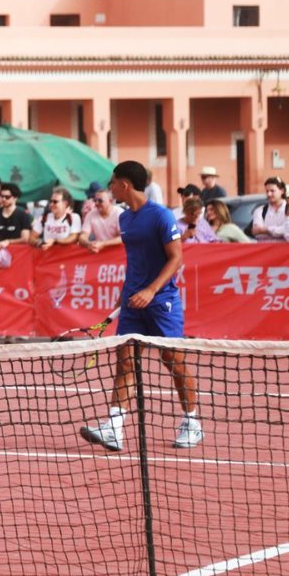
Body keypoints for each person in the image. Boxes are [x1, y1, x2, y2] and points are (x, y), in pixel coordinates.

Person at [80, 160, 202, 453]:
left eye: (112, 182)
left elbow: (176, 259)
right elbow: (136, 261)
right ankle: (114, 428)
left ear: (124, 185)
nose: (110, 187)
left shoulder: (160, 216)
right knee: (125, 360)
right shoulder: (125, 219)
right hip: (133, 302)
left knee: (173, 360)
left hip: (162, 302)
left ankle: (192, 422)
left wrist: (150, 290)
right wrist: (125, 292)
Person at [0, 182, 32, 255]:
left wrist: (8, 241)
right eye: (2, 196)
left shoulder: (22, 214)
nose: (3, 199)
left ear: (15, 198)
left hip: (17, 254)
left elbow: (25, 238)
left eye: (7, 197)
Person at [250, 176, 289, 241]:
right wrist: (279, 230)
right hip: (265, 247)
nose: (269, 194)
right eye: (267, 191)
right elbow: (257, 233)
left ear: (282, 191)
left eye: (272, 191)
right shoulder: (260, 211)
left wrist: (265, 230)